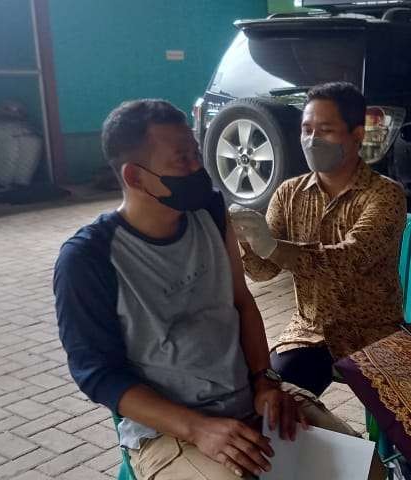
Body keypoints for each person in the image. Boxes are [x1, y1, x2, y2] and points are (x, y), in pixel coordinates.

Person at [54, 99, 382, 479]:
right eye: (182, 159)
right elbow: (98, 375)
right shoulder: (88, 258)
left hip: (249, 397)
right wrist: (198, 428)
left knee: (366, 470)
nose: (198, 168)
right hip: (172, 427)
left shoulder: (208, 210)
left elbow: (241, 302)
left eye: (196, 152)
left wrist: (264, 379)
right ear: (135, 176)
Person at [231, 82, 406, 397]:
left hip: (373, 334)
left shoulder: (385, 195)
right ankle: (322, 444)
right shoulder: (288, 193)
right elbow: (264, 272)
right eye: (306, 129)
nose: (312, 140)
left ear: (356, 135)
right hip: (311, 332)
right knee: (272, 399)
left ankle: (366, 447)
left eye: (325, 130)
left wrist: (272, 246)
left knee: (405, 425)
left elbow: (349, 259)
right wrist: (245, 241)